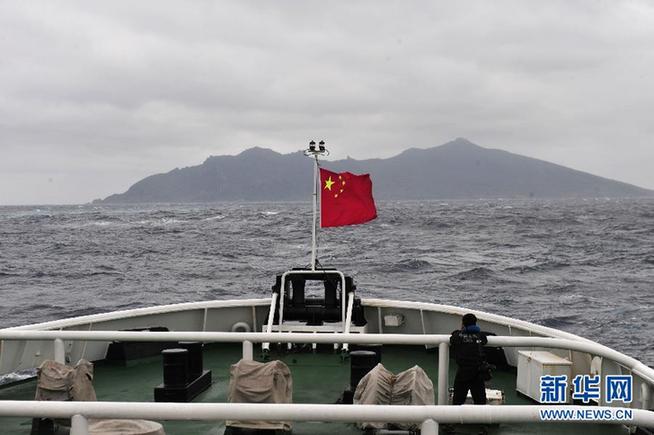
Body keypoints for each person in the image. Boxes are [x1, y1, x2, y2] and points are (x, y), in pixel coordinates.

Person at [449, 313, 489, 405]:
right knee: (480, 403)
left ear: (463, 324)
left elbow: (452, 339)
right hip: (477, 374)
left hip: (463, 373)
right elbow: (485, 340)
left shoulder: (457, 336)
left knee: (457, 402)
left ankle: (457, 418)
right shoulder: (481, 336)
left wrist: (459, 331)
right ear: (475, 323)